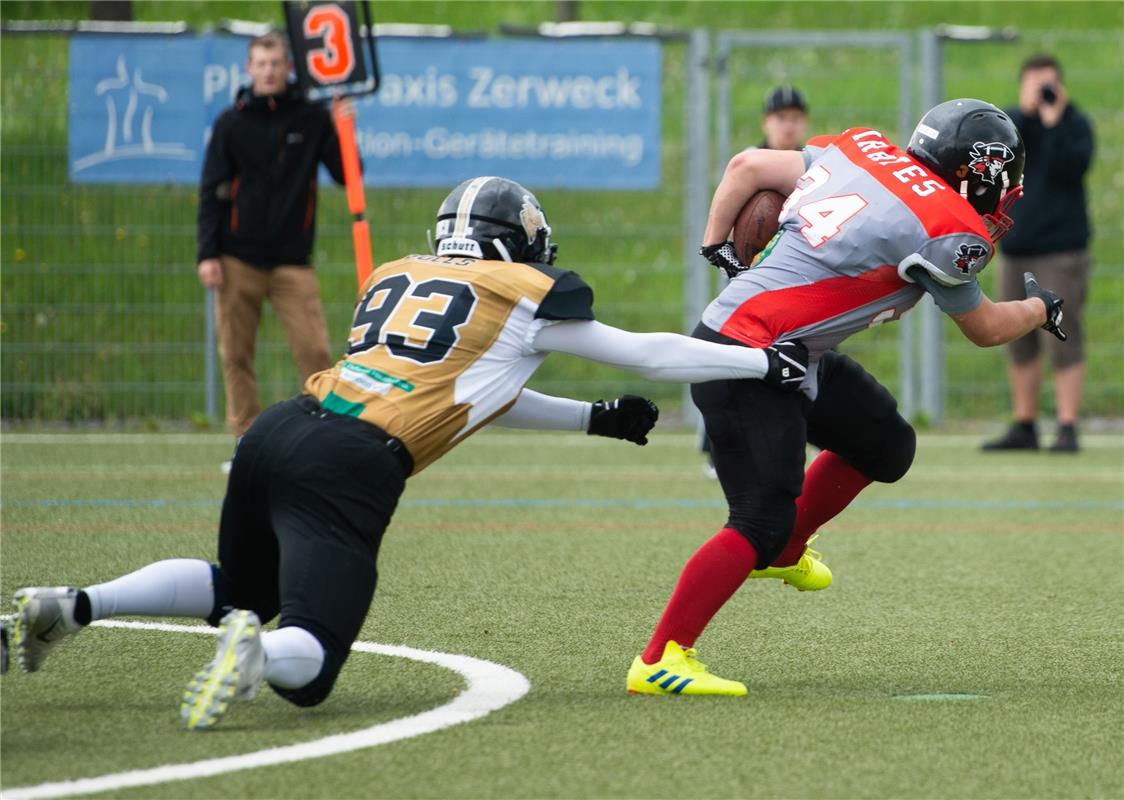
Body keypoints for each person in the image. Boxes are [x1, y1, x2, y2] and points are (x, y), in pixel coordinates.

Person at [10, 177, 810, 727]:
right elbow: (649, 354)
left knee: (235, 585)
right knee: (312, 661)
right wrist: (760, 360)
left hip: (280, 430)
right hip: (351, 464)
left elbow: (469, 394)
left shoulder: (396, 274)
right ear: (518, 240)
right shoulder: (524, 295)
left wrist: (592, 422)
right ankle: (255, 653)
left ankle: (73, 604)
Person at [627, 99, 1068, 696]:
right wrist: (1042, 307)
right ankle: (661, 657)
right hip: (747, 358)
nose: (1006, 192)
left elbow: (745, 166)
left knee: (884, 443)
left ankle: (786, 547)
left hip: (785, 349)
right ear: (978, 170)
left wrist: (720, 253)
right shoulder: (949, 227)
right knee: (757, 516)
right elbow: (985, 327)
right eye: (1003, 178)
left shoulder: (860, 148)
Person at [197, 31, 348, 447]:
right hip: (236, 259)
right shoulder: (232, 122)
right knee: (236, 356)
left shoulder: (312, 117)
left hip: (292, 262)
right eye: (261, 64)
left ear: (289, 67)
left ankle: (324, 441)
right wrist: (207, 253)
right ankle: (246, 441)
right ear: (249, 68)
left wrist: (342, 129)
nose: (269, 71)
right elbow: (212, 191)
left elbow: (346, 174)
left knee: (315, 353)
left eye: (276, 63)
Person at [982, 54, 1094, 453]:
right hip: (1016, 251)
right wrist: (1029, 116)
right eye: (1034, 85)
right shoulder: (1011, 127)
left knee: (1063, 336)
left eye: (1049, 85)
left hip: (1061, 252)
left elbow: (1075, 167)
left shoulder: (1075, 125)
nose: (1042, 93)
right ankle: (1024, 423)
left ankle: (1067, 426)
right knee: (1017, 337)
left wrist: (1053, 120)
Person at [700, 85, 811, 478]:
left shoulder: (811, 165)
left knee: (792, 357)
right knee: (732, 348)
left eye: (796, 117)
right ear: (766, 122)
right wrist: (727, 250)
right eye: (781, 117)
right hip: (745, 271)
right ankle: (715, 444)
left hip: (794, 277)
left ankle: (788, 440)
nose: (789, 124)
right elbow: (731, 205)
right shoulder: (753, 163)